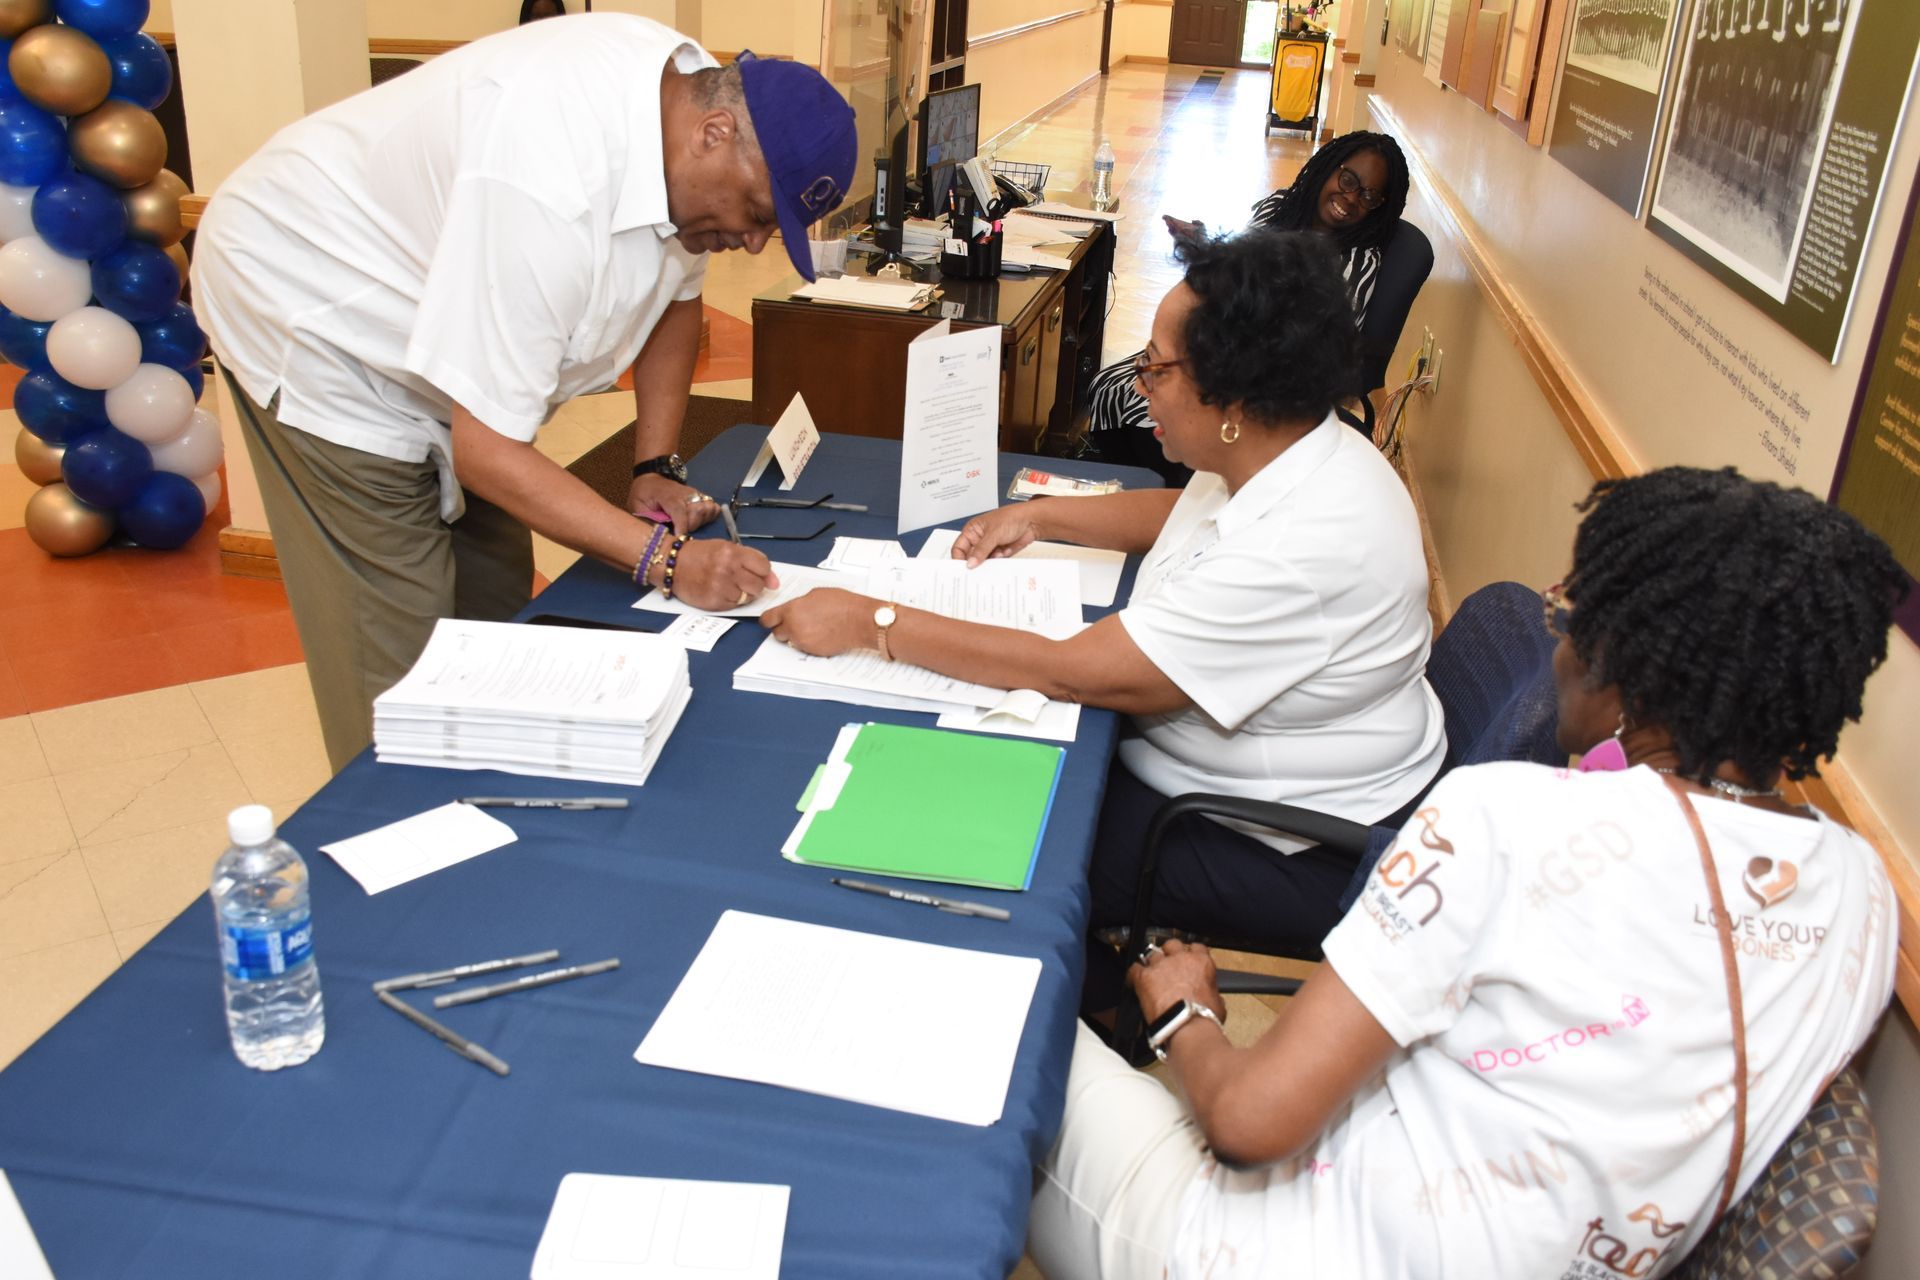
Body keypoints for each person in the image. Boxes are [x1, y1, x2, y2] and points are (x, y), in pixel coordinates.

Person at [1025, 466, 1907, 1280]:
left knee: (1001, 1014)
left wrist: (1187, 1013)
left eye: (1570, 620)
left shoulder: (1506, 819)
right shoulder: (1864, 892)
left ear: (1630, 670)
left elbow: (1250, 1125)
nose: (1556, 648)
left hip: (1255, 1250)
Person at [761, 231, 1444, 979]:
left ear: (1234, 398)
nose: (1138, 381)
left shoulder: (1305, 546)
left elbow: (1072, 673)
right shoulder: (1286, 442)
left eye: (1156, 366)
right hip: (1253, 782)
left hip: (1281, 841)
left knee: (989, 846)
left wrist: (873, 622)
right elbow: (1187, 512)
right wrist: (1041, 516)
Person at [193, 16, 856, 771]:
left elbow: (678, 296)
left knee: (500, 606)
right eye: (758, 213)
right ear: (713, 134)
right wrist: (667, 562)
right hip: (321, 320)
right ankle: (396, 839)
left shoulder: (693, 107)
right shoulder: (547, 176)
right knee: (399, 661)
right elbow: (487, 452)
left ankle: (497, 803)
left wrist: (656, 466)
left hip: (448, 335)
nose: (753, 242)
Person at [1082, 131, 1416, 483]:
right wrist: (1206, 245)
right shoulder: (1279, 208)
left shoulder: (1357, 262)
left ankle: (1181, 493)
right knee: (1110, 384)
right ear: (1330, 167)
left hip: (1271, 373)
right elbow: (1241, 267)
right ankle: (1137, 486)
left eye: (1369, 195)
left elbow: (1309, 344)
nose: (1350, 199)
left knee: (1155, 406)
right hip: (1222, 344)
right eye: (1348, 180)